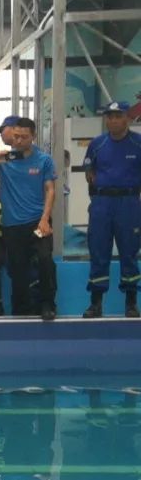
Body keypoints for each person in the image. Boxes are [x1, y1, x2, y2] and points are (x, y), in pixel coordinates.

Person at [0, 117, 57, 320]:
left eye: (24, 137)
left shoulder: (44, 160)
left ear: (33, 136)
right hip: (12, 226)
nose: (19, 141)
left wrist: (45, 218)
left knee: (45, 259)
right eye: (16, 136)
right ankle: (21, 310)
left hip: (38, 222)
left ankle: (47, 303)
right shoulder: (5, 159)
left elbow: (50, 190)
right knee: (18, 270)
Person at [82, 100, 141, 318]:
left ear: (127, 118)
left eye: (118, 116)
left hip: (129, 203)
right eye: (110, 116)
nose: (113, 120)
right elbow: (89, 171)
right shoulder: (96, 144)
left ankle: (131, 303)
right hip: (101, 204)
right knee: (98, 251)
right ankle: (95, 303)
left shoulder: (138, 143)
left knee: (129, 252)